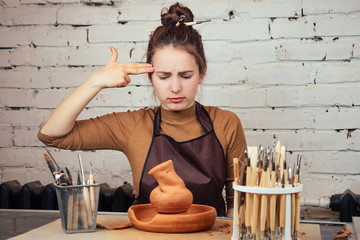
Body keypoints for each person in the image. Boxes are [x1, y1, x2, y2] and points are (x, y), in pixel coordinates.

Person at [38, 2, 246, 217]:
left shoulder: (225, 123)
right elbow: (52, 135)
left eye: (186, 76)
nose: (175, 88)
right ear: (150, 77)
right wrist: (95, 82)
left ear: (202, 73)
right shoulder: (133, 125)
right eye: (163, 77)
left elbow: (238, 203)